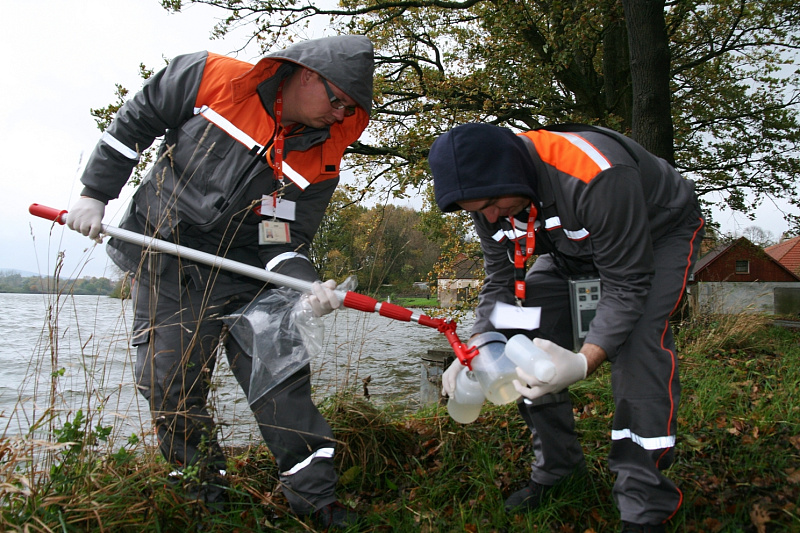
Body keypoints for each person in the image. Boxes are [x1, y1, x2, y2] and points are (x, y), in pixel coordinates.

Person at [65, 35, 374, 529]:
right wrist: (94, 193)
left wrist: (306, 286)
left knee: (281, 380)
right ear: (308, 74)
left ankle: (318, 500)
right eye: (336, 101)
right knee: (169, 383)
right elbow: (133, 125)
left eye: (350, 109)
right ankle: (204, 492)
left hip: (246, 273)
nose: (340, 116)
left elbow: (283, 240)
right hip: (168, 255)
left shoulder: (323, 158)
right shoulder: (209, 76)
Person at [428, 122, 706, 533]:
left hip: (655, 237)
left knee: (639, 343)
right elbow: (500, 281)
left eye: (491, 203)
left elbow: (627, 284)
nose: (488, 217)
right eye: (475, 211)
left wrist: (583, 361)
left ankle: (644, 507)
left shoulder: (596, 174)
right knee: (513, 334)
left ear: (513, 172)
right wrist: (478, 345)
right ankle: (559, 470)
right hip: (568, 253)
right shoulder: (488, 202)